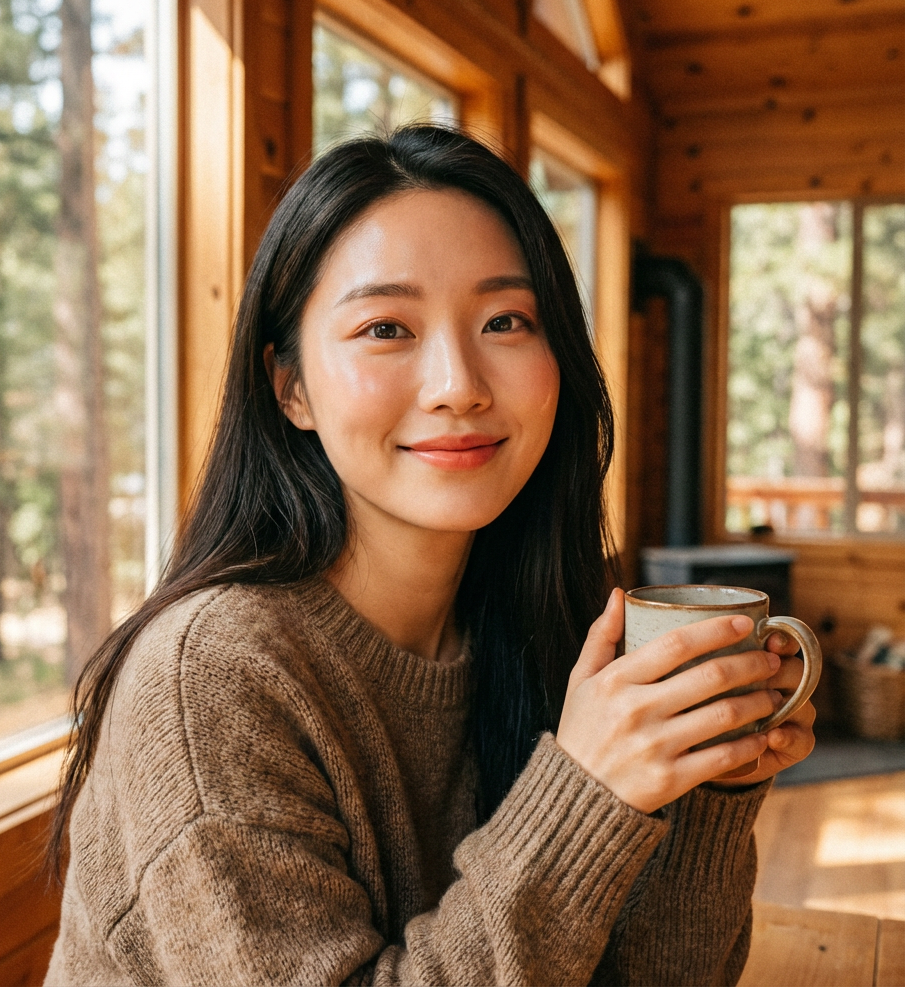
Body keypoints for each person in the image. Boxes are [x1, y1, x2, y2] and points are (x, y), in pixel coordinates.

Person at [44, 125, 814, 986]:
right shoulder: (211, 676)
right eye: (385, 328)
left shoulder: (550, 614)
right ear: (290, 386)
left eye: (504, 320)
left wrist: (703, 780)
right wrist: (586, 792)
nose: (458, 383)